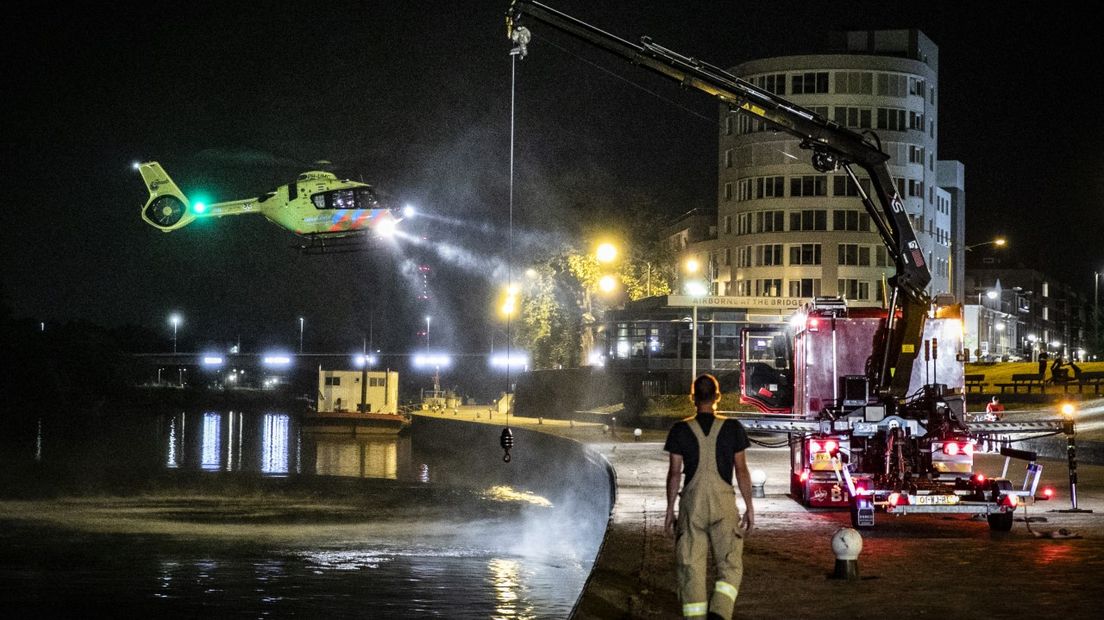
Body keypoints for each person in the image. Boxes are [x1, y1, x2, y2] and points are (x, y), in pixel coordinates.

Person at [664, 374, 754, 620]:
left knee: (690, 564)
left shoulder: (680, 430)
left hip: (691, 505)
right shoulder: (733, 429)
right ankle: (720, 612)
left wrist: (670, 510)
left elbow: (674, 474)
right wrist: (749, 506)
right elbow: (742, 470)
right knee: (730, 563)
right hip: (724, 505)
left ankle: (696, 616)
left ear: (692, 398)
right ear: (718, 396)